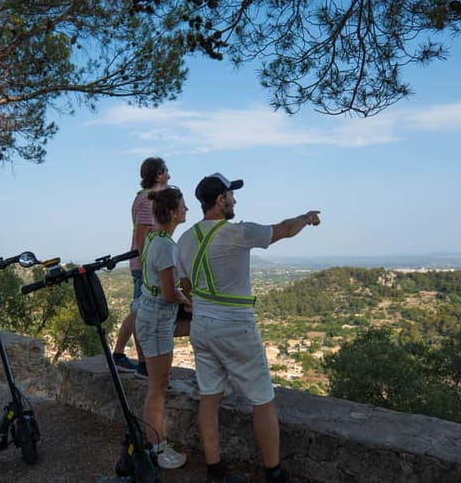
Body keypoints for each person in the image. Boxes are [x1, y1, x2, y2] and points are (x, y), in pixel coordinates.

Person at [176, 173, 321, 483]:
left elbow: (186, 287)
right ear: (219, 200)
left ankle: (216, 470)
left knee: (210, 396)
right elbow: (284, 229)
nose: (235, 200)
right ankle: (274, 472)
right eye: (230, 195)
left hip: (202, 326)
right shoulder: (236, 234)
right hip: (235, 326)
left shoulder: (185, 240)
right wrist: (307, 217)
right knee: (262, 398)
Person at [134, 186, 191, 469]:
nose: (186, 210)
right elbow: (169, 293)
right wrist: (187, 300)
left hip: (150, 314)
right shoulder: (166, 245)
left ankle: (155, 445)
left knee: (158, 385)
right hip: (157, 319)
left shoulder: (153, 237)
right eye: (183, 206)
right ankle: (157, 450)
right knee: (157, 387)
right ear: (171, 212)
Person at [112, 157, 171, 378]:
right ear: (157, 174)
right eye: (166, 171)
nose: (169, 176)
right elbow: (142, 233)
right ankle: (144, 364)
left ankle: (118, 354)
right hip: (144, 265)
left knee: (136, 310)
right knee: (140, 313)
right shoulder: (148, 199)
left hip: (140, 263)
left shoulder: (143, 198)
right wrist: (149, 264)